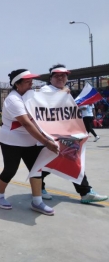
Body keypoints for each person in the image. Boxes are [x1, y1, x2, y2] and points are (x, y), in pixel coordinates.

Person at [0, 69, 59, 215]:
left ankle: (37, 201)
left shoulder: (30, 97)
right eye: (27, 82)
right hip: (11, 141)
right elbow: (27, 124)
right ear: (17, 85)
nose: (31, 85)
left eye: (31, 82)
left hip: (29, 141)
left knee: (36, 169)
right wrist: (47, 142)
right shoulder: (13, 100)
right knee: (10, 170)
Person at [40, 64, 108, 203]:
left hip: (64, 134)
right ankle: (39, 185)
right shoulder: (45, 90)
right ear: (51, 78)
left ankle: (85, 192)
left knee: (70, 159)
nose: (61, 78)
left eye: (64, 75)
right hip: (48, 135)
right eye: (57, 75)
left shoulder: (65, 91)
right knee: (56, 161)